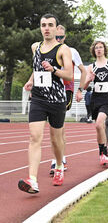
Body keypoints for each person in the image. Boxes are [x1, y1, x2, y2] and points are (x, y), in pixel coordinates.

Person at [18, 13, 73, 194]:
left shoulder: (63, 49)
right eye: (43, 25)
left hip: (56, 100)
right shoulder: (35, 47)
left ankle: (59, 165)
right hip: (39, 98)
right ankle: (32, 180)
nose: (46, 28)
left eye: (50, 25)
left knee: (56, 140)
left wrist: (54, 69)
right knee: (35, 137)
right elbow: (37, 68)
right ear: (40, 28)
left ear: (57, 28)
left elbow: (69, 75)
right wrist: (30, 80)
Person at [49, 25, 86, 176]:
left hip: (66, 90)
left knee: (59, 125)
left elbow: (83, 71)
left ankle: (59, 160)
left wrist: (80, 90)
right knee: (53, 128)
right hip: (50, 90)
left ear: (65, 37)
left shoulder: (71, 51)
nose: (58, 40)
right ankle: (59, 159)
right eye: (56, 37)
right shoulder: (47, 49)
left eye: (61, 37)